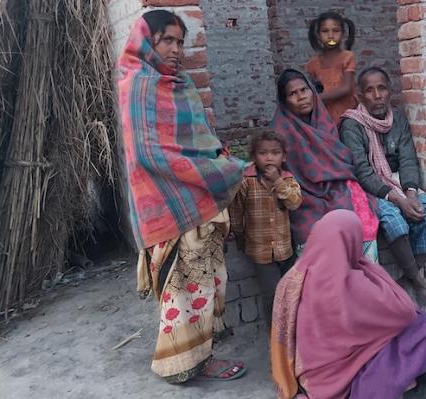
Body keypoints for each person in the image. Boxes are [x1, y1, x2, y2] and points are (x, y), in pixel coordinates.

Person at [118, 10, 247, 384]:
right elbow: (149, 153)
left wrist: (217, 159)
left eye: (180, 41)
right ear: (147, 41)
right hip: (168, 205)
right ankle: (182, 365)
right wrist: (221, 171)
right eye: (167, 40)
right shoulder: (139, 85)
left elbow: (198, 140)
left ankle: (201, 352)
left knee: (204, 284)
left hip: (195, 201)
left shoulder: (179, 84)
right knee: (183, 292)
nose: (176, 49)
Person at [270, 210, 426, 399]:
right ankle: (412, 386)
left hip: (314, 377)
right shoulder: (352, 282)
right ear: (352, 241)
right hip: (346, 379)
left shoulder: (294, 278)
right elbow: (405, 312)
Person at [340, 67, 426, 316]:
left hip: (398, 182)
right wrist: (397, 199)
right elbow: (362, 170)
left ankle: (406, 279)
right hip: (371, 187)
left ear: (390, 91)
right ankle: (419, 284)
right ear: (360, 96)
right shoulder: (351, 124)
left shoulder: (398, 118)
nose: (377, 95)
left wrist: (411, 194)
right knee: (393, 220)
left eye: (382, 88)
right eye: (370, 91)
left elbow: (407, 159)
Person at [273, 69, 379, 260]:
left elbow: (341, 163)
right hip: (304, 197)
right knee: (312, 232)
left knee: (360, 220)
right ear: (285, 101)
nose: (301, 97)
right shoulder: (281, 132)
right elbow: (283, 175)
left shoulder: (324, 123)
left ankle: (365, 283)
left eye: (304, 90)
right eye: (292, 94)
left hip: (337, 188)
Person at [229, 131, 302, 322]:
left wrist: (278, 181)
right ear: (254, 156)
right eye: (263, 153)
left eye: (275, 152)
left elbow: (294, 203)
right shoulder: (246, 181)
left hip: (285, 249)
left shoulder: (287, 179)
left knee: (290, 292)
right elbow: (236, 211)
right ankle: (276, 334)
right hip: (260, 252)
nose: (269, 157)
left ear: (284, 156)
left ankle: (292, 328)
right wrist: (238, 234)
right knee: (272, 294)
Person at [305, 11, 358, 121]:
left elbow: (346, 88)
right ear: (318, 35)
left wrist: (316, 98)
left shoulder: (347, 57)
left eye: (336, 31)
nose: (330, 36)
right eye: (325, 31)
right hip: (325, 117)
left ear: (343, 34)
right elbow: (315, 88)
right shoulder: (313, 64)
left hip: (348, 116)